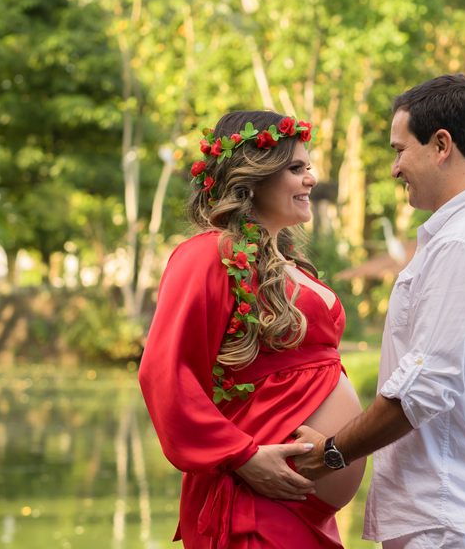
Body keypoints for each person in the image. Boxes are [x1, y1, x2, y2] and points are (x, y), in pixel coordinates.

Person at [294, 75, 465, 549]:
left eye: (400, 149)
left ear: (441, 145)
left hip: (450, 520)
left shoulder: (464, 244)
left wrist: (330, 454)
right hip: (454, 516)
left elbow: (423, 389)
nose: (394, 168)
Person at [138, 110, 365, 549]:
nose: (311, 179)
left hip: (304, 510)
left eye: (309, 166)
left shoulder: (291, 265)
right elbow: (165, 374)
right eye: (296, 169)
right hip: (256, 501)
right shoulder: (209, 254)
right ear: (254, 177)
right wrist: (243, 457)